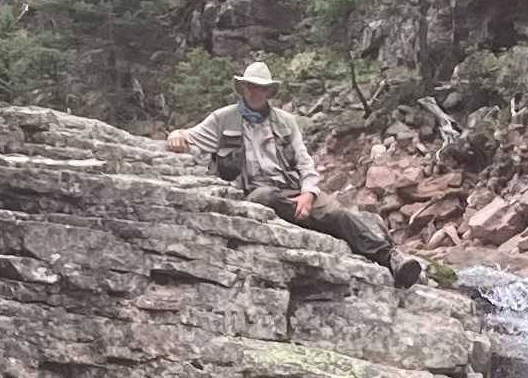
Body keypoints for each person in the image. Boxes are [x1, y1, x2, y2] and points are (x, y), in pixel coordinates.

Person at [171, 61, 426, 286]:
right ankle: (311, 221)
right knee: (267, 197)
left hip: (293, 188)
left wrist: (308, 194)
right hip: (255, 191)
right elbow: (189, 136)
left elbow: (305, 163)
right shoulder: (223, 119)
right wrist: (176, 135)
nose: (255, 92)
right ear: (242, 88)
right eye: (250, 86)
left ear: (269, 92)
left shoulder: (286, 121)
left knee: (338, 214)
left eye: (261, 88)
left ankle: (391, 258)